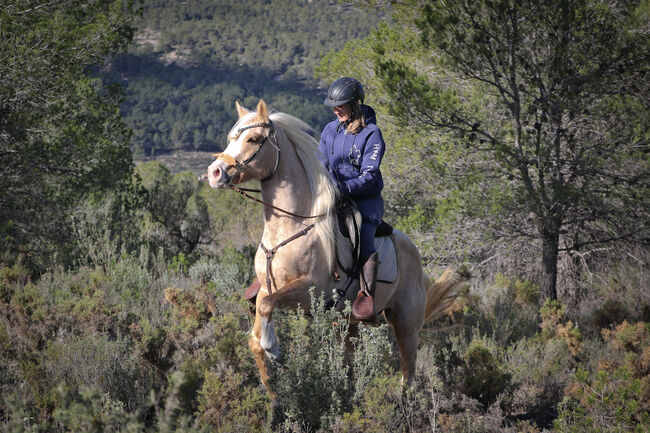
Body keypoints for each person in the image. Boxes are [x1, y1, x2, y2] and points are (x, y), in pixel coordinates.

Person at [318, 77, 386, 321]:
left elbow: (369, 176)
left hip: (365, 200)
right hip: (334, 195)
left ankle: (367, 296)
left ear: (356, 103)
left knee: (365, 234)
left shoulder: (372, 134)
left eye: (342, 104)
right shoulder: (329, 130)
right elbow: (321, 163)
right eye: (334, 105)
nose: (336, 109)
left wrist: (342, 188)